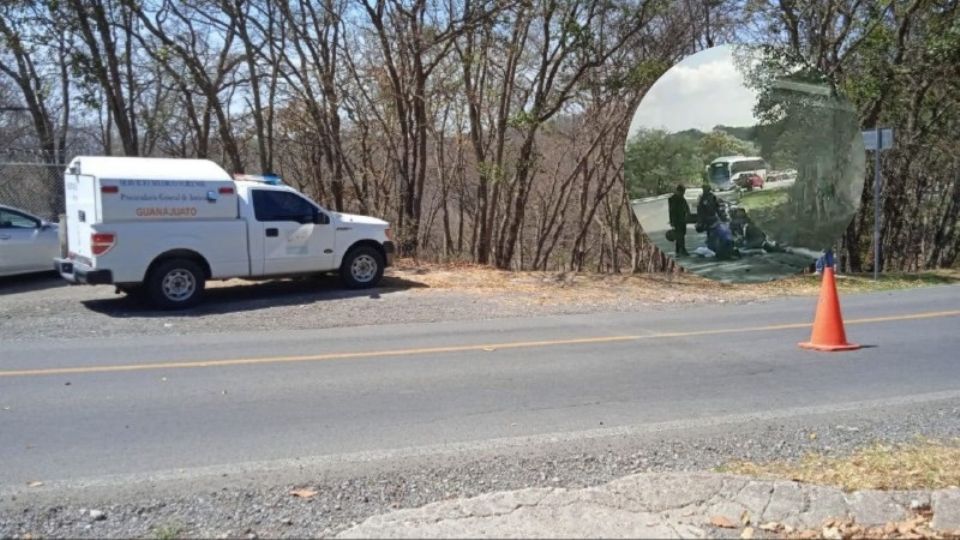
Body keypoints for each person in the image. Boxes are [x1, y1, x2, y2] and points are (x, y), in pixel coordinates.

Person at [667, 184, 690, 256]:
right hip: (678, 220)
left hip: (682, 219)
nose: (683, 193)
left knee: (680, 235)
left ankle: (678, 250)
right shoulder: (674, 199)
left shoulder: (681, 198)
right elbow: (672, 211)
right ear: (679, 191)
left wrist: (688, 214)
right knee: (680, 235)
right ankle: (682, 249)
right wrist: (672, 221)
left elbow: (686, 207)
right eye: (682, 192)